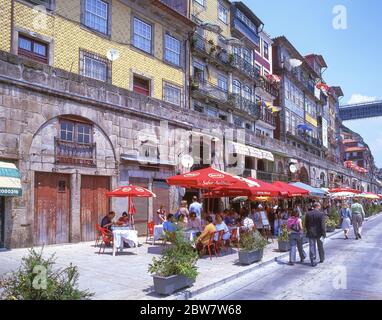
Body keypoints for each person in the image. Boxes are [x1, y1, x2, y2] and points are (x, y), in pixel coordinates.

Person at [305, 203, 326, 267]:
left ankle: (313, 260)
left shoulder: (308, 213)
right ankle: (321, 258)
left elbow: (306, 224)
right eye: (320, 206)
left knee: (312, 246)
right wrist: (324, 233)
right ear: (318, 206)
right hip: (319, 233)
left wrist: (308, 230)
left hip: (311, 232)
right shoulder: (321, 214)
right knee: (320, 246)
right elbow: (322, 225)